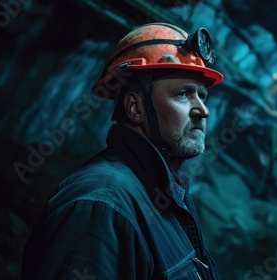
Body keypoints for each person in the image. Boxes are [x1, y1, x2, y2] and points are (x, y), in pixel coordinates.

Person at [21, 22, 223, 280]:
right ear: (135, 108)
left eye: (202, 96)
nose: (203, 110)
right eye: (183, 94)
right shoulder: (100, 207)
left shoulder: (163, 194)